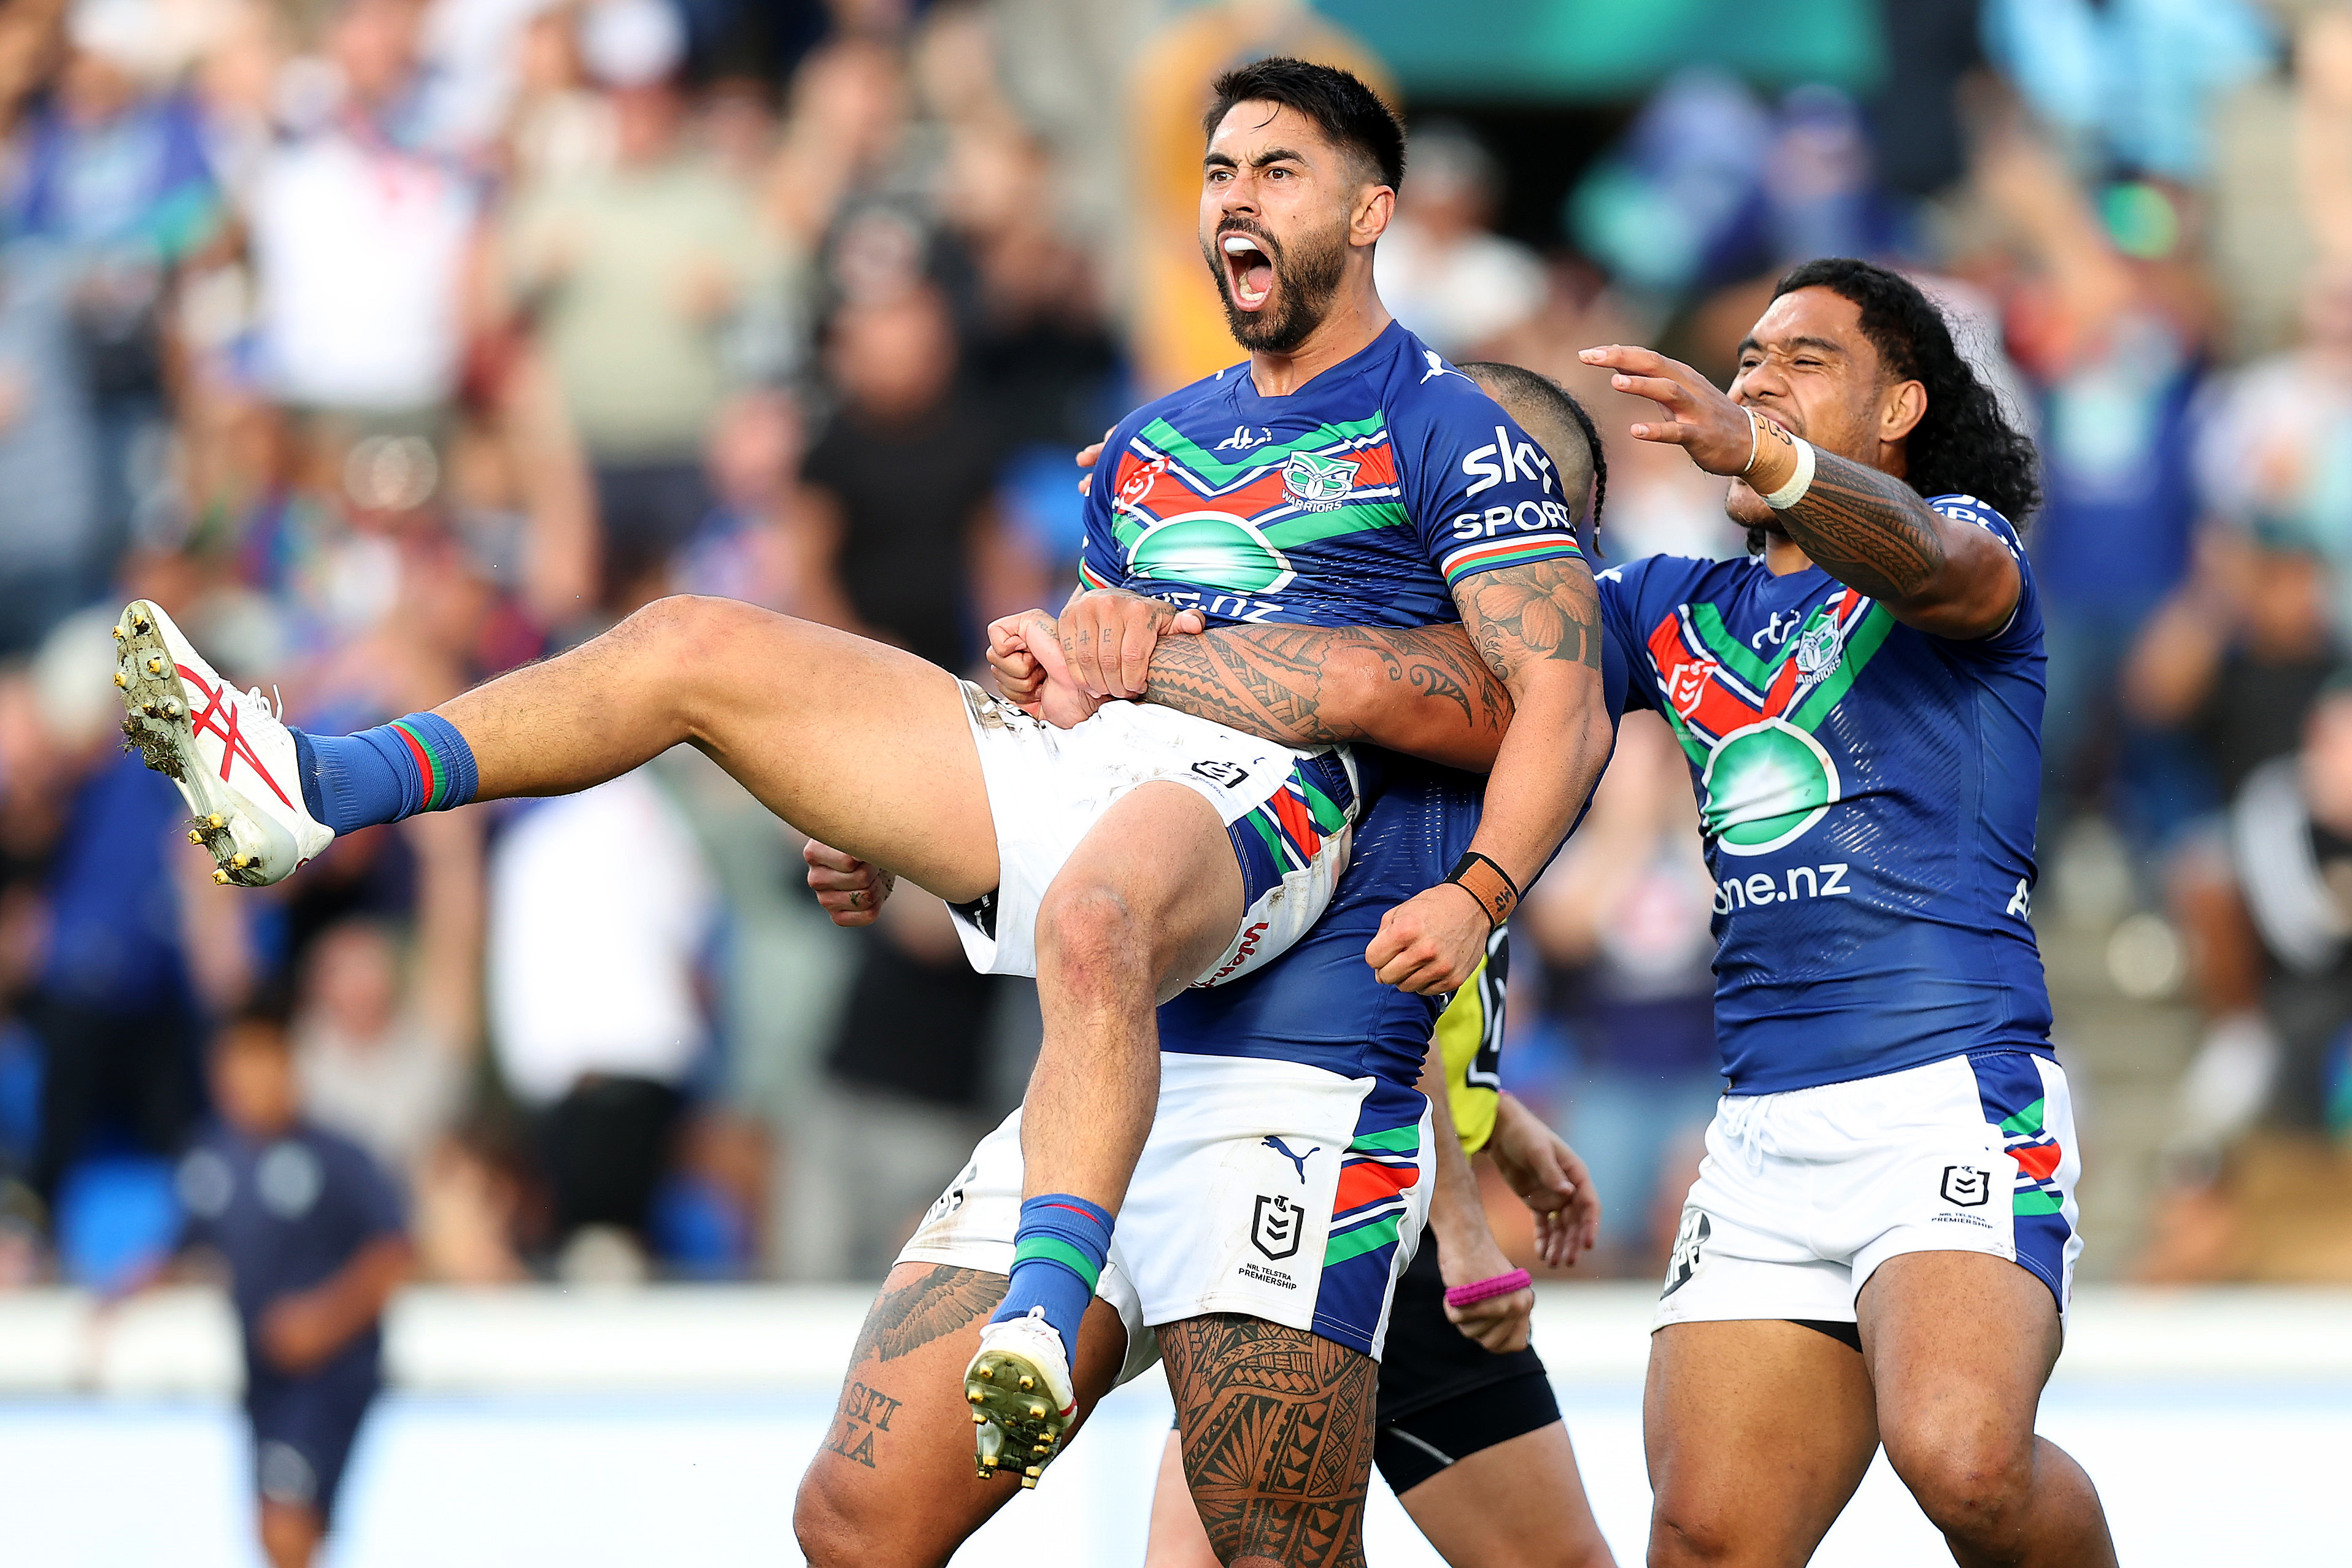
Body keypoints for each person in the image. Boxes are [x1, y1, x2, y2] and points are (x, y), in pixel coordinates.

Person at [112, 55, 1610, 1529]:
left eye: (1276, 171)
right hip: (1122, 1002)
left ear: (1367, 213)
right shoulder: (1154, 448)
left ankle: (1043, 1298)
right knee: (850, 1518)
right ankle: (310, 780)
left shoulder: (1453, 432)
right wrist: (894, 803)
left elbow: (1543, 701)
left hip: (1291, 1038)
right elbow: (1085, 701)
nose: (1235, 198)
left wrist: (1480, 900)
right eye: (1219, 169)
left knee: (1262, 1542)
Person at [1053, 261, 2116, 1567]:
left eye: (1800, 361)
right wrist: (1209, 494)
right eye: (1742, 362)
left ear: (1899, 405)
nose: (1752, 382)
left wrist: (1772, 461)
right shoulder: (1663, 612)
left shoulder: (1962, 550)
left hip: (1951, 1093)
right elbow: (1450, 665)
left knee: (1962, 1460)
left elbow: (1933, 561)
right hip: (1763, 1140)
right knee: (1707, 1542)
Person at [794, 358, 1617, 1567]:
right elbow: (1064, 698)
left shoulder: (1519, 677)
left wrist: (1476, 1173)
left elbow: (1401, 978)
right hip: (1196, 1141)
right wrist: (901, 819)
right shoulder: (1269, 604)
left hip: (1315, 1165)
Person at [1141, 931, 1617, 1568]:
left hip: (1288, 1201)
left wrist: (1486, 1110)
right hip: (1365, 1210)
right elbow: (1375, 998)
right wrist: (1464, 1229)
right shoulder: (1415, 826)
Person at [175, 1004, 411, 1568]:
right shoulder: (212, 1158)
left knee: (286, 1527)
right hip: (262, 1378)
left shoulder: (338, 1158)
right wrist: (118, 1301)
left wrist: (323, 1321)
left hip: (328, 1376)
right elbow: (183, 1250)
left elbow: (395, 1252)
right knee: (273, 1530)